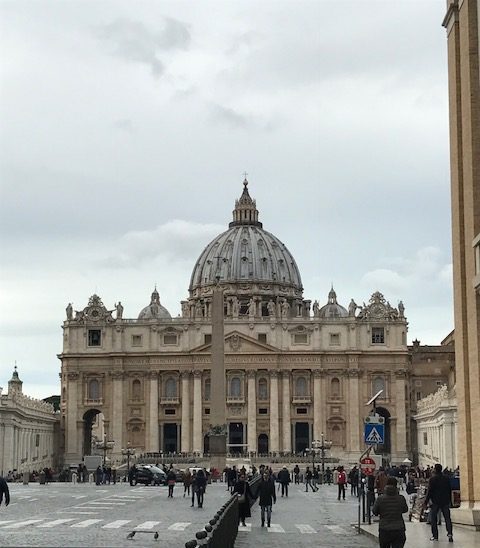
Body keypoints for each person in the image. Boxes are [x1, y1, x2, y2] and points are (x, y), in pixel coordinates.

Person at [372, 476, 408, 548]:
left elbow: (374, 512)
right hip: (399, 528)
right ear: (396, 485)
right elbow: (405, 510)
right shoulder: (401, 498)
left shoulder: (380, 499)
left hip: (384, 529)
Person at [424, 463, 453, 543]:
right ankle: (450, 534)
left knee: (434, 519)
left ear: (435, 470)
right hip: (445, 501)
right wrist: (450, 500)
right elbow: (449, 490)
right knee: (447, 518)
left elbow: (429, 492)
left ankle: (435, 536)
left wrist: (426, 502)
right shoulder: (446, 478)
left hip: (435, 501)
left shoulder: (432, 479)